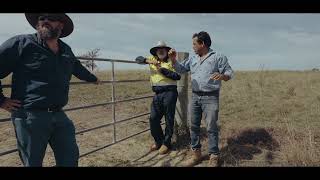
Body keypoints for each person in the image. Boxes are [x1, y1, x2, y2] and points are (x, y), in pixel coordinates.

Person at [0, 13, 101, 167]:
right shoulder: (21, 43)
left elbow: (76, 67)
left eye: (51, 18)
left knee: (70, 158)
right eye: (42, 18)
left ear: (60, 25)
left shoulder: (65, 49)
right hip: (30, 116)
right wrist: (1, 100)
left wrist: (93, 79)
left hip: (59, 115)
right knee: (33, 163)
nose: (45, 21)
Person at [169, 31, 234, 167]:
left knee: (211, 126)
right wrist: (174, 59)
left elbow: (229, 72)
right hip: (195, 96)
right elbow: (181, 69)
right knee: (194, 126)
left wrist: (222, 76)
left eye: (194, 43)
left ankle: (214, 156)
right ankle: (196, 154)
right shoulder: (193, 58)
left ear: (202, 44)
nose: (192, 46)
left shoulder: (218, 57)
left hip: (211, 97)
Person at [135, 41, 181, 155]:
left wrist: (161, 69)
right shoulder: (152, 59)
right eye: (158, 49)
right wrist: (148, 61)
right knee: (153, 118)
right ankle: (158, 141)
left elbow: (177, 76)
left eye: (163, 49)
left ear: (166, 51)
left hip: (170, 92)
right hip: (157, 94)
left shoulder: (172, 61)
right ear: (155, 51)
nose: (160, 51)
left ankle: (166, 144)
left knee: (169, 118)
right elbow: (137, 59)